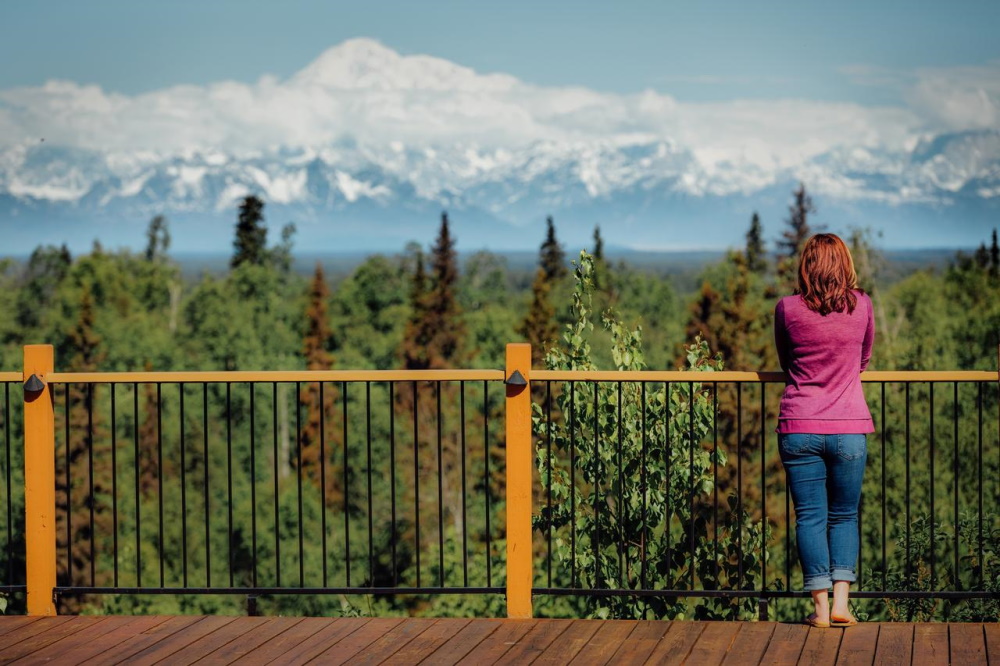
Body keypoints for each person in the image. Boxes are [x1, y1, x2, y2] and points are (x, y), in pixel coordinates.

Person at [774, 233, 875, 628]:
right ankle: (841, 605)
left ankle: (818, 609)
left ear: (807, 266)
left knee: (810, 518)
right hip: (849, 427)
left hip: (798, 425)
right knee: (844, 516)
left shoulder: (786, 309)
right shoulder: (863, 305)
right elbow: (864, 358)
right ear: (844, 264)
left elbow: (786, 360)